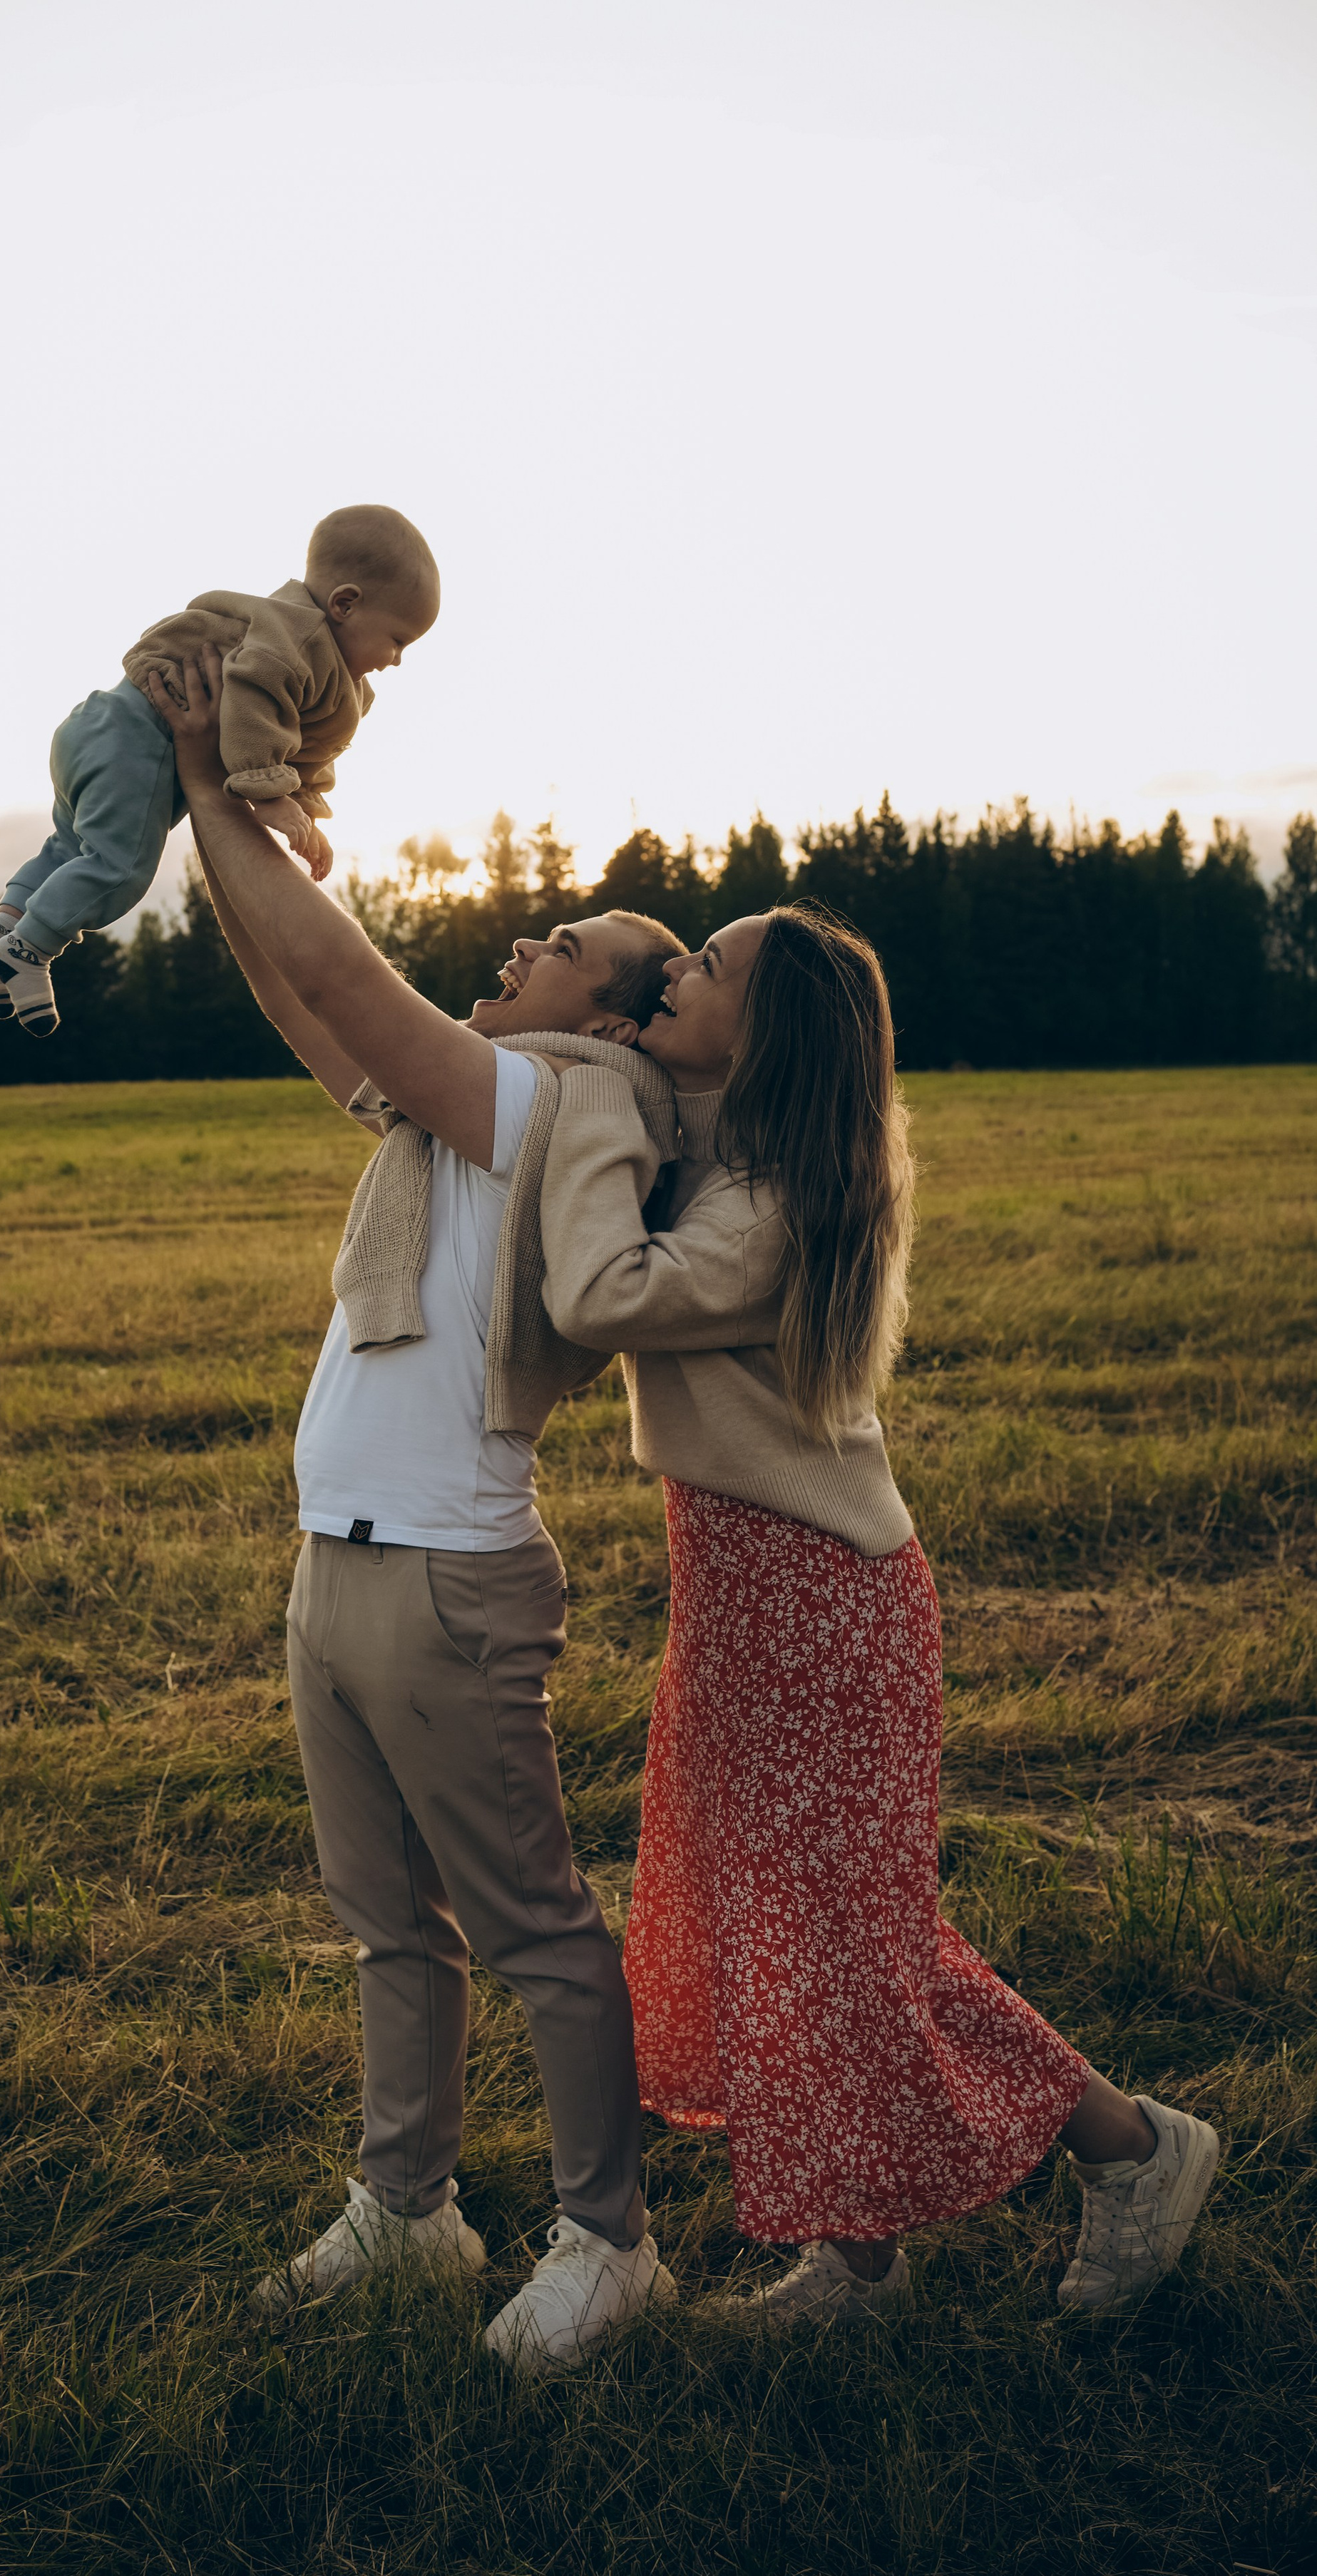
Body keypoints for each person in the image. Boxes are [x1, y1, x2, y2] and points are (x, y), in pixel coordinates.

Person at [537, 905, 1221, 2324]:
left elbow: (598, 1292)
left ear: (768, 1032)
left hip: (815, 1605)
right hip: (744, 1590)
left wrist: (600, 1091)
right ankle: (854, 2261)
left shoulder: (768, 1203)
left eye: (703, 969)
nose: (674, 973)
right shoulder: (738, 1162)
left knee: (854, 1945)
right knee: (783, 1930)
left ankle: (1133, 2149)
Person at [155, 645, 684, 2372]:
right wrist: (210, 821)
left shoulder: (547, 1099)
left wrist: (212, 781)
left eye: (565, 947)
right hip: (340, 1563)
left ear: (608, 1020)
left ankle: (609, 2240)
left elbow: (337, 966)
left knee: (528, 1922)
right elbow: (299, 994)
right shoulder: (446, 1113)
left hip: (450, 1575)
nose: (521, 940)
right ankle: (410, 2208)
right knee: (389, 1922)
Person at [0, 506, 439, 1036]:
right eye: (398, 640)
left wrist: (304, 807)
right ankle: (29, 949)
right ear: (345, 604)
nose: (398, 659)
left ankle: (4, 924)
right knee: (119, 867)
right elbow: (254, 702)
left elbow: (302, 747)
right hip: (136, 742)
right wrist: (267, 794)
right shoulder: (297, 641)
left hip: (97, 726)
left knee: (69, 848)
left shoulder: (320, 663)